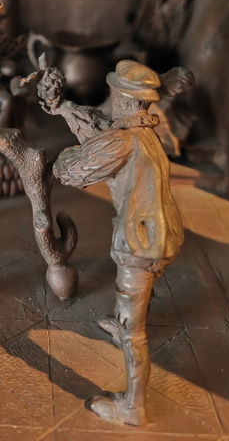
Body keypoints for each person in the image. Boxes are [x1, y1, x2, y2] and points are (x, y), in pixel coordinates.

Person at [37, 59, 192, 425]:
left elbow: (74, 171)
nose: (110, 99)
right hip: (161, 236)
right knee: (138, 297)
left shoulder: (123, 140)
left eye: (113, 93)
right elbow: (100, 131)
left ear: (122, 99)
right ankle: (125, 325)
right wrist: (63, 107)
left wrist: (59, 160)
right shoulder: (144, 133)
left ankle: (132, 407)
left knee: (134, 331)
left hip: (140, 245)